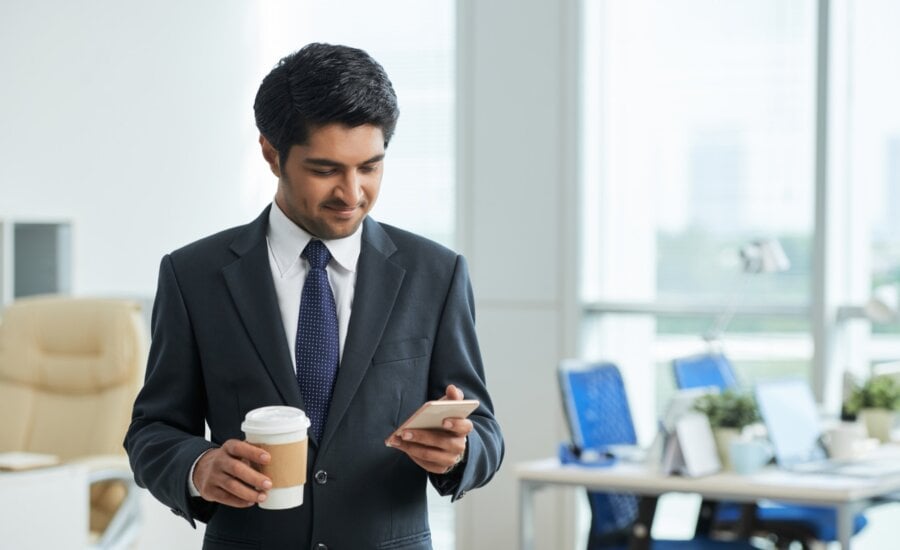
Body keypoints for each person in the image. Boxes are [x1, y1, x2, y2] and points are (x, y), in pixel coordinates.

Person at [124, 43, 504, 550]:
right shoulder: (193, 275)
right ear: (270, 153)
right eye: (326, 170)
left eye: (370, 167)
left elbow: (485, 434)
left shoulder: (435, 273)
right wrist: (199, 466)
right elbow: (153, 429)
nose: (352, 194)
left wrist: (460, 452)